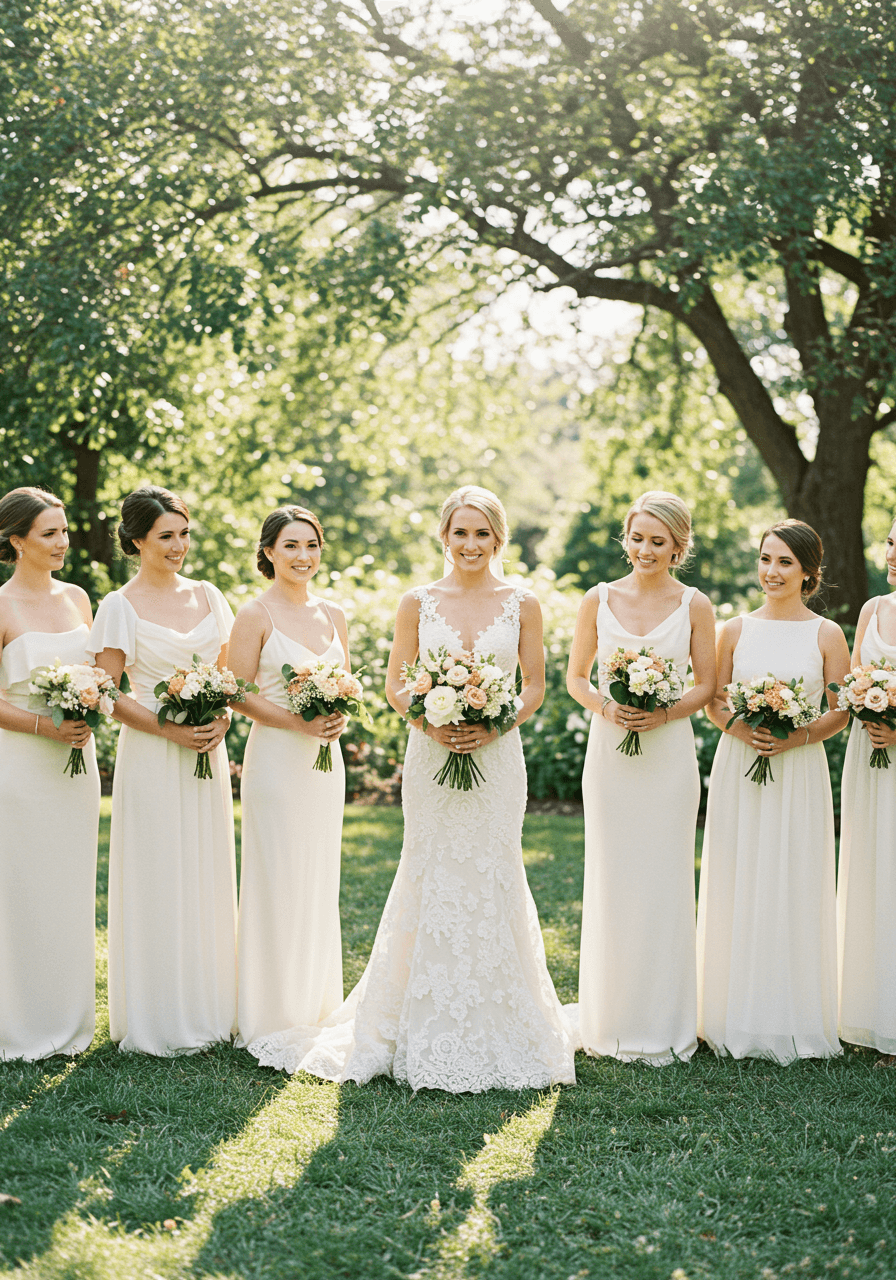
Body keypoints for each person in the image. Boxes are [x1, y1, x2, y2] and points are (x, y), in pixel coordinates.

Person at [246, 485, 576, 1091]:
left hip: (499, 759)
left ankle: (502, 1020)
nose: (470, 544)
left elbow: (534, 685)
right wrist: (432, 720)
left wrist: (494, 722)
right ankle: (413, 1024)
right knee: (430, 870)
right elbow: (399, 685)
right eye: (460, 533)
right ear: (444, 537)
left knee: (493, 870)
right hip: (430, 757)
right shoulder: (416, 603)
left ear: (498, 538)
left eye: (482, 533)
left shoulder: (522, 603)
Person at [565, 491, 716, 1064]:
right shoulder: (597, 600)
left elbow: (705, 685)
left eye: (659, 542)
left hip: (669, 756)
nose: (645, 550)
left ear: (678, 548)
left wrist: (664, 711)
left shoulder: (696, 606)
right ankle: (609, 1017)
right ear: (625, 538)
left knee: (663, 878)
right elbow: (578, 677)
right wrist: (607, 708)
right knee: (612, 875)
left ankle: (665, 1018)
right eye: (638, 538)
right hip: (610, 756)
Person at [89, 485, 237, 1055]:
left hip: (206, 750)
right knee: (157, 873)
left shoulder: (209, 596)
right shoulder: (118, 606)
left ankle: (210, 1006)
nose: (179, 546)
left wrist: (219, 716)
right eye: (166, 537)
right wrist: (169, 728)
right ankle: (157, 1014)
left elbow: (228, 676)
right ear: (136, 541)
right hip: (152, 752)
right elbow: (108, 689)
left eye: (184, 534)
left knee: (204, 867)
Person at [697, 519, 850, 1061]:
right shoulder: (735, 630)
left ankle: (793, 1010)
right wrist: (745, 731)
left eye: (785, 561)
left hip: (799, 768)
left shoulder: (826, 634)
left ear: (809, 571)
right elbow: (714, 700)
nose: (772, 571)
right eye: (766, 559)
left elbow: (841, 709)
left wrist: (797, 736)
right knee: (740, 873)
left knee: (792, 874)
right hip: (741, 762)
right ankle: (727, 1009)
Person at [230, 506, 349, 1047]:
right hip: (277, 759)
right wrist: (296, 720)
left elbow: (344, 681)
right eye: (291, 546)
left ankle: (316, 1003)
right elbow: (234, 690)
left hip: (325, 765)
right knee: (276, 875)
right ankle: (270, 1010)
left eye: (311, 545)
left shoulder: (334, 614)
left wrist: (338, 713)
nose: (303, 557)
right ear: (269, 553)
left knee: (318, 875)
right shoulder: (254, 614)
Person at [0, 487, 100, 1060]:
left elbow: (94, 674)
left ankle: (67, 1020)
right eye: (49, 534)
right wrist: (44, 729)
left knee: (68, 888)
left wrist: (88, 707)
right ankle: (17, 1023)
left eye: (64, 531)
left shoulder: (79, 599)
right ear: (17, 540)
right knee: (21, 890)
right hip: (21, 765)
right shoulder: (2, 606)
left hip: (75, 765)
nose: (62, 542)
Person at [837, 515, 896, 1062]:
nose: (894, 555)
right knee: (870, 869)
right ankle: (863, 1011)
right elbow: (854, 684)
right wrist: (869, 714)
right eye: (892, 543)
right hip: (869, 754)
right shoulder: (873, 611)